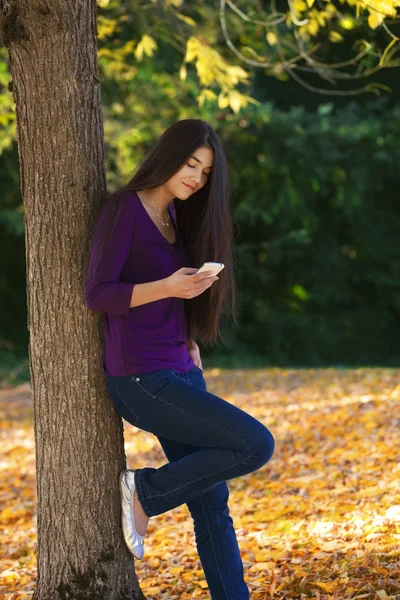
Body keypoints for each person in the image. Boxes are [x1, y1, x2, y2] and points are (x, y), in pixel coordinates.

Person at [85, 119, 274, 600]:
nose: (196, 177)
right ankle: (144, 494)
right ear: (168, 156)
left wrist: (190, 333)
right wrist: (169, 286)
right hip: (141, 377)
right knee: (255, 444)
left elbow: (172, 299)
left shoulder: (177, 221)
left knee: (213, 503)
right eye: (192, 164)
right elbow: (98, 293)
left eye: (206, 171)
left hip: (181, 369)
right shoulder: (124, 210)